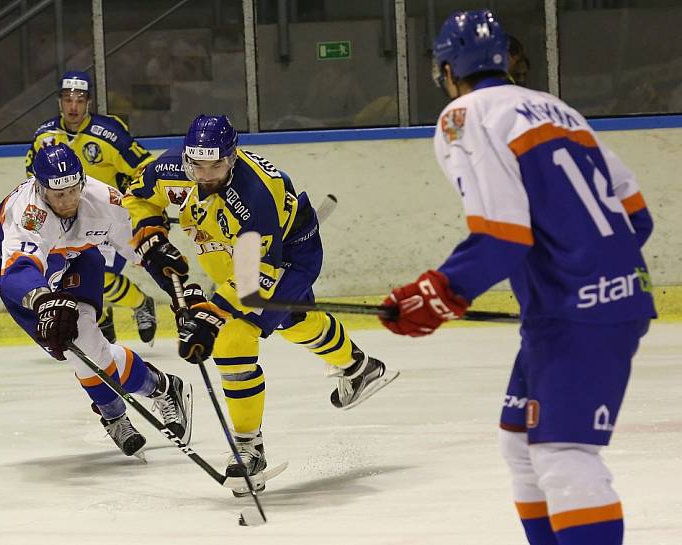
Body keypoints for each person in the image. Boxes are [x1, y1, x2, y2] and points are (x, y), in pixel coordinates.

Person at [382, 10, 655, 545]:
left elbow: (504, 236)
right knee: (520, 442)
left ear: (446, 69)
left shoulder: (464, 116)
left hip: (577, 313)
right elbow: (637, 217)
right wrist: (575, 276)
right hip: (588, 305)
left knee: (563, 452)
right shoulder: (559, 110)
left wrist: (437, 294)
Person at [122, 115, 398, 495]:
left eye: (215, 165)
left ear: (232, 157)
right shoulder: (171, 168)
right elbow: (137, 196)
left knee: (234, 336)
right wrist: (151, 232)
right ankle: (359, 367)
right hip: (228, 253)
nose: (204, 174)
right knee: (294, 320)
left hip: (286, 255)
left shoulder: (255, 198)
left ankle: (249, 448)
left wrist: (211, 315)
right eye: (196, 165)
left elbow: (253, 280)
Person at [0, 143, 193, 458]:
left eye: (73, 191)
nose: (68, 201)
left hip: (80, 259)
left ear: (81, 180)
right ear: (40, 188)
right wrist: (42, 299)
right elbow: (20, 270)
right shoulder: (27, 212)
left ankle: (114, 415)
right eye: (58, 195)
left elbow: (143, 250)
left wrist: (178, 296)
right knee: (72, 349)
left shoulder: (104, 200)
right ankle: (161, 386)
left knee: (85, 344)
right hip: (28, 279)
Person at [25, 70, 157, 346]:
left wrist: (136, 201)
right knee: (71, 279)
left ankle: (141, 303)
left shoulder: (110, 134)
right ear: (59, 102)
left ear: (89, 102)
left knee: (105, 277)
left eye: (80, 99)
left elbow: (144, 168)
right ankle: (103, 316)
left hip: (107, 218)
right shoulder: (44, 136)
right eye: (68, 99)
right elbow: (32, 179)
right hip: (67, 221)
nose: (74, 106)